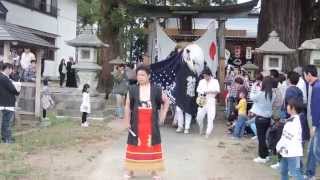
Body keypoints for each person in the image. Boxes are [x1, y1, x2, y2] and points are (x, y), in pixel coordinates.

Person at [123, 65, 169, 180]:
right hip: (136, 123)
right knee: (134, 145)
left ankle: (154, 171)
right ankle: (130, 170)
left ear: (149, 76)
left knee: (153, 145)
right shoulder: (132, 89)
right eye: (138, 75)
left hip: (151, 123)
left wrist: (162, 116)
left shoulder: (156, 89)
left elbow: (166, 101)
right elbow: (128, 105)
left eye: (143, 75)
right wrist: (127, 120)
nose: (140, 77)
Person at [276, 99, 304, 180]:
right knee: (283, 171)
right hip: (285, 151)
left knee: (295, 172)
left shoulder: (295, 122)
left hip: (293, 152)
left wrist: (280, 146)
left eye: (288, 105)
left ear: (293, 108)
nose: (287, 107)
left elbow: (288, 137)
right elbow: (285, 136)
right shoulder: (291, 120)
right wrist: (280, 146)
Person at [250, 76, 275, 163]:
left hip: (260, 118)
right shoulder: (273, 94)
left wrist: (253, 87)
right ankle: (266, 155)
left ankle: (262, 157)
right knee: (263, 138)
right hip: (267, 118)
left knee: (261, 138)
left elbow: (251, 97)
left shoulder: (261, 94)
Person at [304, 65, 320, 180]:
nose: (305, 78)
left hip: (318, 123)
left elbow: (316, 108)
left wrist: (314, 125)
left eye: (305, 75)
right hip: (317, 122)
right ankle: (310, 173)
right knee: (311, 149)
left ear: (309, 74)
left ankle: (310, 173)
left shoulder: (317, 87)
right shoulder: (316, 86)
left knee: (316, 150)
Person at [196, 68, 220, 138]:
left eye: (206, 76)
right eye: (204, 76)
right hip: (202, 99)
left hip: (211, 100)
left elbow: (217, 90)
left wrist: (209, 91)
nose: (205, 77)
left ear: (210, 75)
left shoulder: (215, 81)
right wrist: (202, 93)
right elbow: (198, 89)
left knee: (210, 117)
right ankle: (201, 127)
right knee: (199, 116)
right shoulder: (201, 81)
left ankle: (208, 132)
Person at [0, 63, 21, 143]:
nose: (12, 71)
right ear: (7, 68)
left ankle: (4, 138)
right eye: (11, 69)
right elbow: (13, 90)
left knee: (4, 122)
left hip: (2, 103)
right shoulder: (5, 78)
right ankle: (7, 139)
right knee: (7, 122)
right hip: (7, 103)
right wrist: (18, 89)